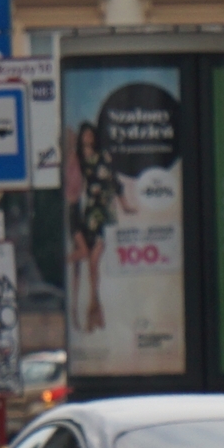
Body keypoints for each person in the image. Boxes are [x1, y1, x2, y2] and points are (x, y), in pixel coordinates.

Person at [65, 120, 127, 334]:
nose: (85, 139)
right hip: (82, 213)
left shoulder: (98, 158)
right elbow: (71, 190)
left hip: (95, 214)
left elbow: (113, 180)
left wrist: (124, 204)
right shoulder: (76, 160)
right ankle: (81, 312)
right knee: (81, 263)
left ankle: (93, 308)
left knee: (90, 259)